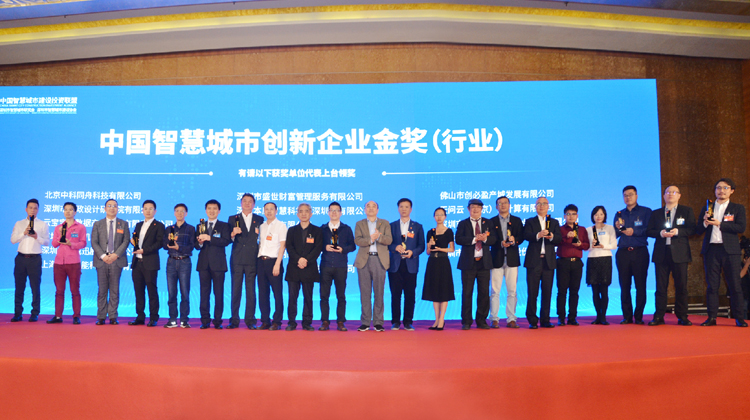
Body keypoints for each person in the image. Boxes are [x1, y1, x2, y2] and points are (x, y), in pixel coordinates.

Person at [695, 178, 747, 327]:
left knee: (735, 285)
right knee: (712, 286)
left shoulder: (737, 208)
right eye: (718, 188)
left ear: (732, 191)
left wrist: (720, 224)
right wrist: (705, 222)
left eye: (725, 188)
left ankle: (739, 318)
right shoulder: (708, 208)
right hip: (711, 250)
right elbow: (698, 230)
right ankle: (711, 317)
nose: (721, 190)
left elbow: (741, 227)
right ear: (715, 190)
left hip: (730, 251)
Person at [646, 185, 696, 326]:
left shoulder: (686, 211)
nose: (670, 194)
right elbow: (649, 231)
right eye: (667, 192)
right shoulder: (656, 213)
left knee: (681, 286)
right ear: (663, 196)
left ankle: (682, 316)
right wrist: (660, 233)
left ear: (679, 195)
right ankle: (659, 316)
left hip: (680, 254)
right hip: (661, 253)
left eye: (674, 192)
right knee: (661, 287)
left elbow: (692, 229)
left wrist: (678, 232)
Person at [455, 198, 496, 330]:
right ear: (468, 209)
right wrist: (474, 239)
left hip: (484, 263)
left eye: (478, 207)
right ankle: (466, 321)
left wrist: (485, 239)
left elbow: (494, 239)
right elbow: (458, 239)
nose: (475, 209)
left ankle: (481, 320)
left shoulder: (488, 222)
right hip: (468, 263)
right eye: (473, 207)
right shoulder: (463, 223)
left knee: (484, 292)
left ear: (482, 209)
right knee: (467, 292)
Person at [614, 185, 652, 325]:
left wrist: (634, 231)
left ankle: (639, 316)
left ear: (636, 196)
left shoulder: (646, 212)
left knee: (640, 286)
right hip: (623, 253)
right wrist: (617, 229)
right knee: (624, 286)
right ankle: (627, 316)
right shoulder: (619, 214)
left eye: (630, 194)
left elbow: (650, 230)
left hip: (639, 252)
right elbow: (615, 235)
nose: (628, 197)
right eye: (625, 195)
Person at [523, 196, 562, 329]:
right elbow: (526, 235)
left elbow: (559, 239)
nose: (541, 206)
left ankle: (545, 319)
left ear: (548, 206)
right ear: (535, 207)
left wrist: (551, 236)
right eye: (539, 204)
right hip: (534, 261)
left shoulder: (554, 222)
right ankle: (532, 320)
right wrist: (538, 235)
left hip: (548, 261)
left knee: (547, 292)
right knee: (532, 292)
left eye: (544, 204)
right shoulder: (530, 221)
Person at [354, 201, 392, 332]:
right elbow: (357, 240)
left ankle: (378, 322)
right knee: (365, 293)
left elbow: (389, 240)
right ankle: (365, 322)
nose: (371, 209)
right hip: (364, 260)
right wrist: (370, 239)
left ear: (377, 210)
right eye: (368, 207)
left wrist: (378, 237)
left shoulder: (384, 223)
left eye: (373, 206)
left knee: (379, 292)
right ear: (364, 210)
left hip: (379, 260)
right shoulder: (359, 224)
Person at [227, 193, 264, 330]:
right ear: (241, 203)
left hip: (252, 258)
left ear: (254, 204)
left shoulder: (259, 219)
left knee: (251, 291)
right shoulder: (233, 219)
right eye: (245, 201)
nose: (247, 203)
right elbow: (227, 239)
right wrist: (232, 234)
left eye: (250, 201)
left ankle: (250, 320)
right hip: (237, 258)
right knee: (235, 290)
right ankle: (234, 320)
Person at [387, 198, 425, 331]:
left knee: (410, 295)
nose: (404, 209)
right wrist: (394, 247)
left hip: (411, 264)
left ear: (411, 209)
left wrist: (412, 252)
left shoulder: (417, 226)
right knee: (395, 295)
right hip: (395, 265)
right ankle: (395, 322)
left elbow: (421, 246)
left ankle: (408, 321)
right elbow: (387, 243)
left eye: (407, 207)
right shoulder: (391, 226)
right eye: (401, 206)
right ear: (398, 209)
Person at [285, 203, 323, 331]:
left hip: (309, 267)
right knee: (292, 297)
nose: (303, 214)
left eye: (306, 211)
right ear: (297, 214)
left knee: (308, 297)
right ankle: (291, 322)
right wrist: (299, 259)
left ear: (311, 214)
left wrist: (306, 260)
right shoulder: (291, 230)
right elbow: (289, 247)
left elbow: (317, 248)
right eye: (301, 211)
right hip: (294, 268)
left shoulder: (317, 230)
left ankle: (307, 322)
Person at [10, 198, 49, 323]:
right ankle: (17, 313)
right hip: (21, 258)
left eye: (35, 208)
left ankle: (35, 313)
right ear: (26, 209)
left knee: (35, 287)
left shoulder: (43, 224)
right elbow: (13, 240)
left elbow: (47, 242)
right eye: (30, 208)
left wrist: (37, 237)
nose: (33, 210)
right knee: (19, 287)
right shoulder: (19, 223)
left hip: (35, 259)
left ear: (38, 210)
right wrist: (24, 233)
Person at [91, 199, 129, 325]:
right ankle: (101, 316)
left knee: (114, 290)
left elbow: (126, 241)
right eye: (109, 206)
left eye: (114, 206)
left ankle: (113, 316)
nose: (112, 208)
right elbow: (94, 242)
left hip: (116, 260)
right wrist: (103, 256)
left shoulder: (123, 224)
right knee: (102, 290)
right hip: (101, 261)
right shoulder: (98, 224)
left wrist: (115, 255)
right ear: (105, 208)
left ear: (118, 208)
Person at [195, 199, 231, 329]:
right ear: (206, 210)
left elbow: (226, 241)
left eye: (215, 208)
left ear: (219, 211)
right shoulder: (200, 226)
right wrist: (200, 242)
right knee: (204, 294)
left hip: (218, 265)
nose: (212, 211)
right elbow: (196, 246)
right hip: (203, 264)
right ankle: (205, 320)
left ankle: (217, 321)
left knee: (218, 293)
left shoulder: (224, 226)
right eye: (209, 208)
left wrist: (210, 238)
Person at [47, 202, 86, 324]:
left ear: (75, 212)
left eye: (70, 209)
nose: (68, 212)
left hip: (73, 262)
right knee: (59, 291)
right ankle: (58, 316)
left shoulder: (80, 227)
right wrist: (60, 237)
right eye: (66, 209)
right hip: (59, 263)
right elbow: (54, 244)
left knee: (75, 290)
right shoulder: (58, 227)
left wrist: (71, 244)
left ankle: (76, 316)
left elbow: (83, 243)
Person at [489, 196, 524, 329]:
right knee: (495, 291)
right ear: (496, 207)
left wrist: (515, 241)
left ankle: (511, 318)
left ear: (509, 205)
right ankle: (494, 318)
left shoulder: (516, 220)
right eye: (500, 203)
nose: (503, 205)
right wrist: (500, 243)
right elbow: (491, 239)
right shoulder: (491, 221)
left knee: (512, 291)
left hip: (512, 259)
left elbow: (521, 236)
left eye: (505, 203)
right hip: (496, 259)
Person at [319, 201, 355, 331]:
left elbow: (353, 246)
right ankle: (325, 321)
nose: (334, 212)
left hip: (341, 266)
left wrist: (343, 249)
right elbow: (316, 245)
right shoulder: (322, 229)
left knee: (341, 295)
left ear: (341, 213)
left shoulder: (346, 229)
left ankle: (340, 321)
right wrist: (324, 247)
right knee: (324, 295)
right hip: (326, 265)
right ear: (328, 212)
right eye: (331, 210)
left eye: (336, 210)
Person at [128, 200, 165, 327]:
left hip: (150, 262)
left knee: (151, 291)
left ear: (155, 211)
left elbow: (159, 243)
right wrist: (133, 243)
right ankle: (140, 317)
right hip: (137, 262)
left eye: (151, 208)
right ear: (142, 210)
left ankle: (153, 317)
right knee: (138, 291)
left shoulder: (159, 225)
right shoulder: (138, 225)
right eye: (145, 208)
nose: (148, 211)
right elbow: (136, 241)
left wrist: (145, 250)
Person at [556, 204, 590, 326]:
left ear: (577, 215)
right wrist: (566, 237)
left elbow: (587, 245)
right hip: (563, 262)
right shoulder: (560, 229)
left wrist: (580, 244)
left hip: (577, 263)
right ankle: (561, 317)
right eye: (568, 214)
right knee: (562, 291)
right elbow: (556, 242)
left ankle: (572, 317)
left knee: (574, 291)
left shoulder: (582, 230)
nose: (571, 216)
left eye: (573, 214)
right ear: (564, 216)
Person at [163, 203, 195, 328]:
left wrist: (179, 248)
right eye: (177, 211)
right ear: (174, 213)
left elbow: (192, 246)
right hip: (171, 261)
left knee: (184, 292)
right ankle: (172, 319)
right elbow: (164, 245)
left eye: (182, 211)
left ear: (186, 213)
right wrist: (169, 242)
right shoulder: (169, 229)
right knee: (171, 292)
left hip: (184, 262)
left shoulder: (191, 229)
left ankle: (184, 319)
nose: (179, 213)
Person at [423, 207, 455, 330]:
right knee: (434, 290)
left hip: (443, 261)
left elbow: (452, 249)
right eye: (437, 215)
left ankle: (442, 319)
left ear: (445, 217)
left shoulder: (449, 231)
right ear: (434, 217)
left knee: (444, 290)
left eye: (441, 215)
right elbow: (427, 252)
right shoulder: (430, 232)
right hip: (432, 262)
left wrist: (440, 249)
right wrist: (430, 246)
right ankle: (436, 319)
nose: (439, 217)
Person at [257, 202, 287, 330]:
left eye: (271, 209)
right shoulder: (261, 226)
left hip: (274, 262)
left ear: (276, 211)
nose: (269, 211)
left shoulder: (281, 226)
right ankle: (265, 320)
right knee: (263, 294)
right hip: (261, 262)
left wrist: (277, 264)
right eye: (266, 209)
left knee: (277, 293)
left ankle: (277, 321)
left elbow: (283, 246)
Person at [586, 206, 617, 325]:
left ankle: (603, 316)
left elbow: (614, 245)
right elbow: (585, 247)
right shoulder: (588, 230)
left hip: (605, 259)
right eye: (596, 214)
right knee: (595, 291)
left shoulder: (610, 228)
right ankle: (597, 316)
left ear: (605, 215)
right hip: (592, 259)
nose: (598, 217)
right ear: (592, 216)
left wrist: (603, 246)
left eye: (601, 214)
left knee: (604, 290)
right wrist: (592, 245)